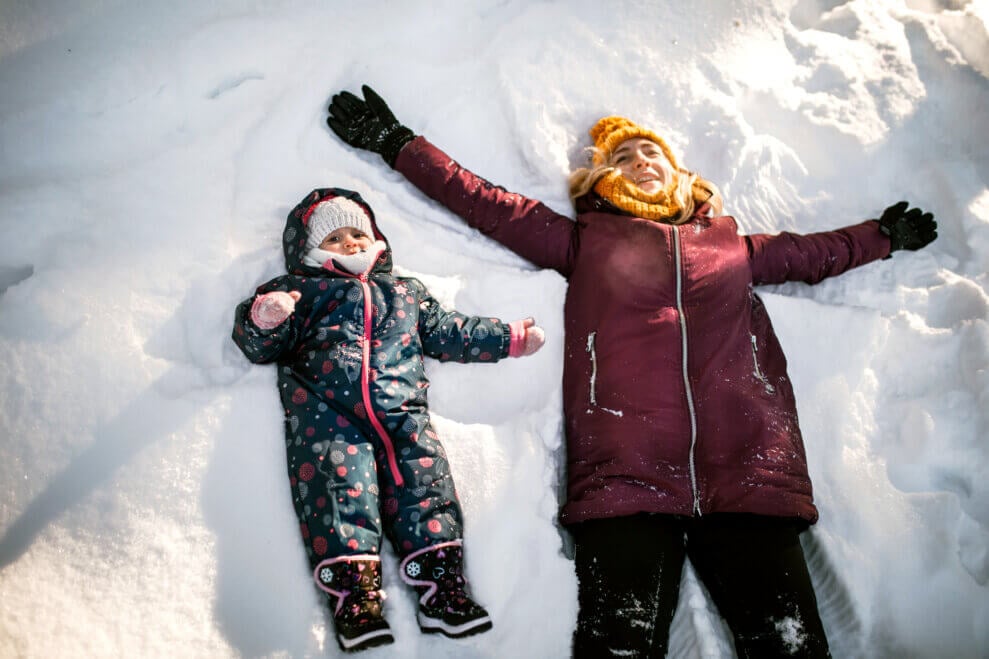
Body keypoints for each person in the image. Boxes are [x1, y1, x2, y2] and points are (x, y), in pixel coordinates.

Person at [324, 86, 938, 658]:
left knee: (790, 646)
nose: (642, 160)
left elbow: (815, 253)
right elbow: (491, 206)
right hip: (625, 472)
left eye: (652, 151)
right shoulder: (587, 241)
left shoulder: (732, 246)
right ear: (602, 179)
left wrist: (882, 236)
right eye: (624, 157)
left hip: (749, 466)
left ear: (681, 173)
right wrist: (399, 144)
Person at [231, 188, 545, 652]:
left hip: (403, 417)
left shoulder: (404, 292)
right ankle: (354, 597)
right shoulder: (302, 292)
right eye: (336, 237)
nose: (352, 242)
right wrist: (267, 317)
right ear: (311, 250)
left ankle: (443, 590)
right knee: (339, 495)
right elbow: (259, 346)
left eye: (359, 232)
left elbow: (449, 331)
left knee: (425, 488)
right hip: (329, 421)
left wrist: (508, 338)